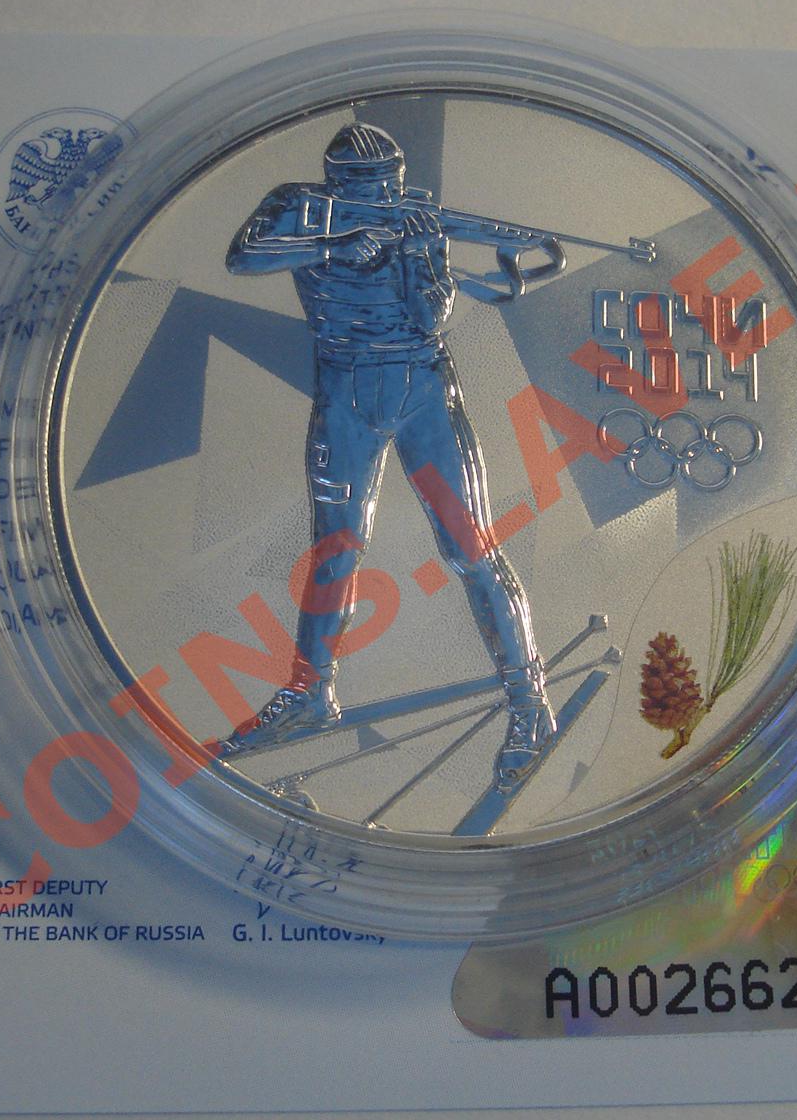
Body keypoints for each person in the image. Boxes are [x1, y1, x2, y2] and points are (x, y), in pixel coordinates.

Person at [223, 123, 561, 786]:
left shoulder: (414, 221)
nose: (387, 200)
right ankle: (311, 693)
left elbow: (432, 317)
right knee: (335, 547)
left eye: (392, 188)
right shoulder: (297, 206)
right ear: (340, 186)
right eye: (374, 192)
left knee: (470, 549)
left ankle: (529, 703)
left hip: (420, 389)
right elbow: (243, 258)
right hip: (344, 388)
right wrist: (335, 245)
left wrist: (420, 254)